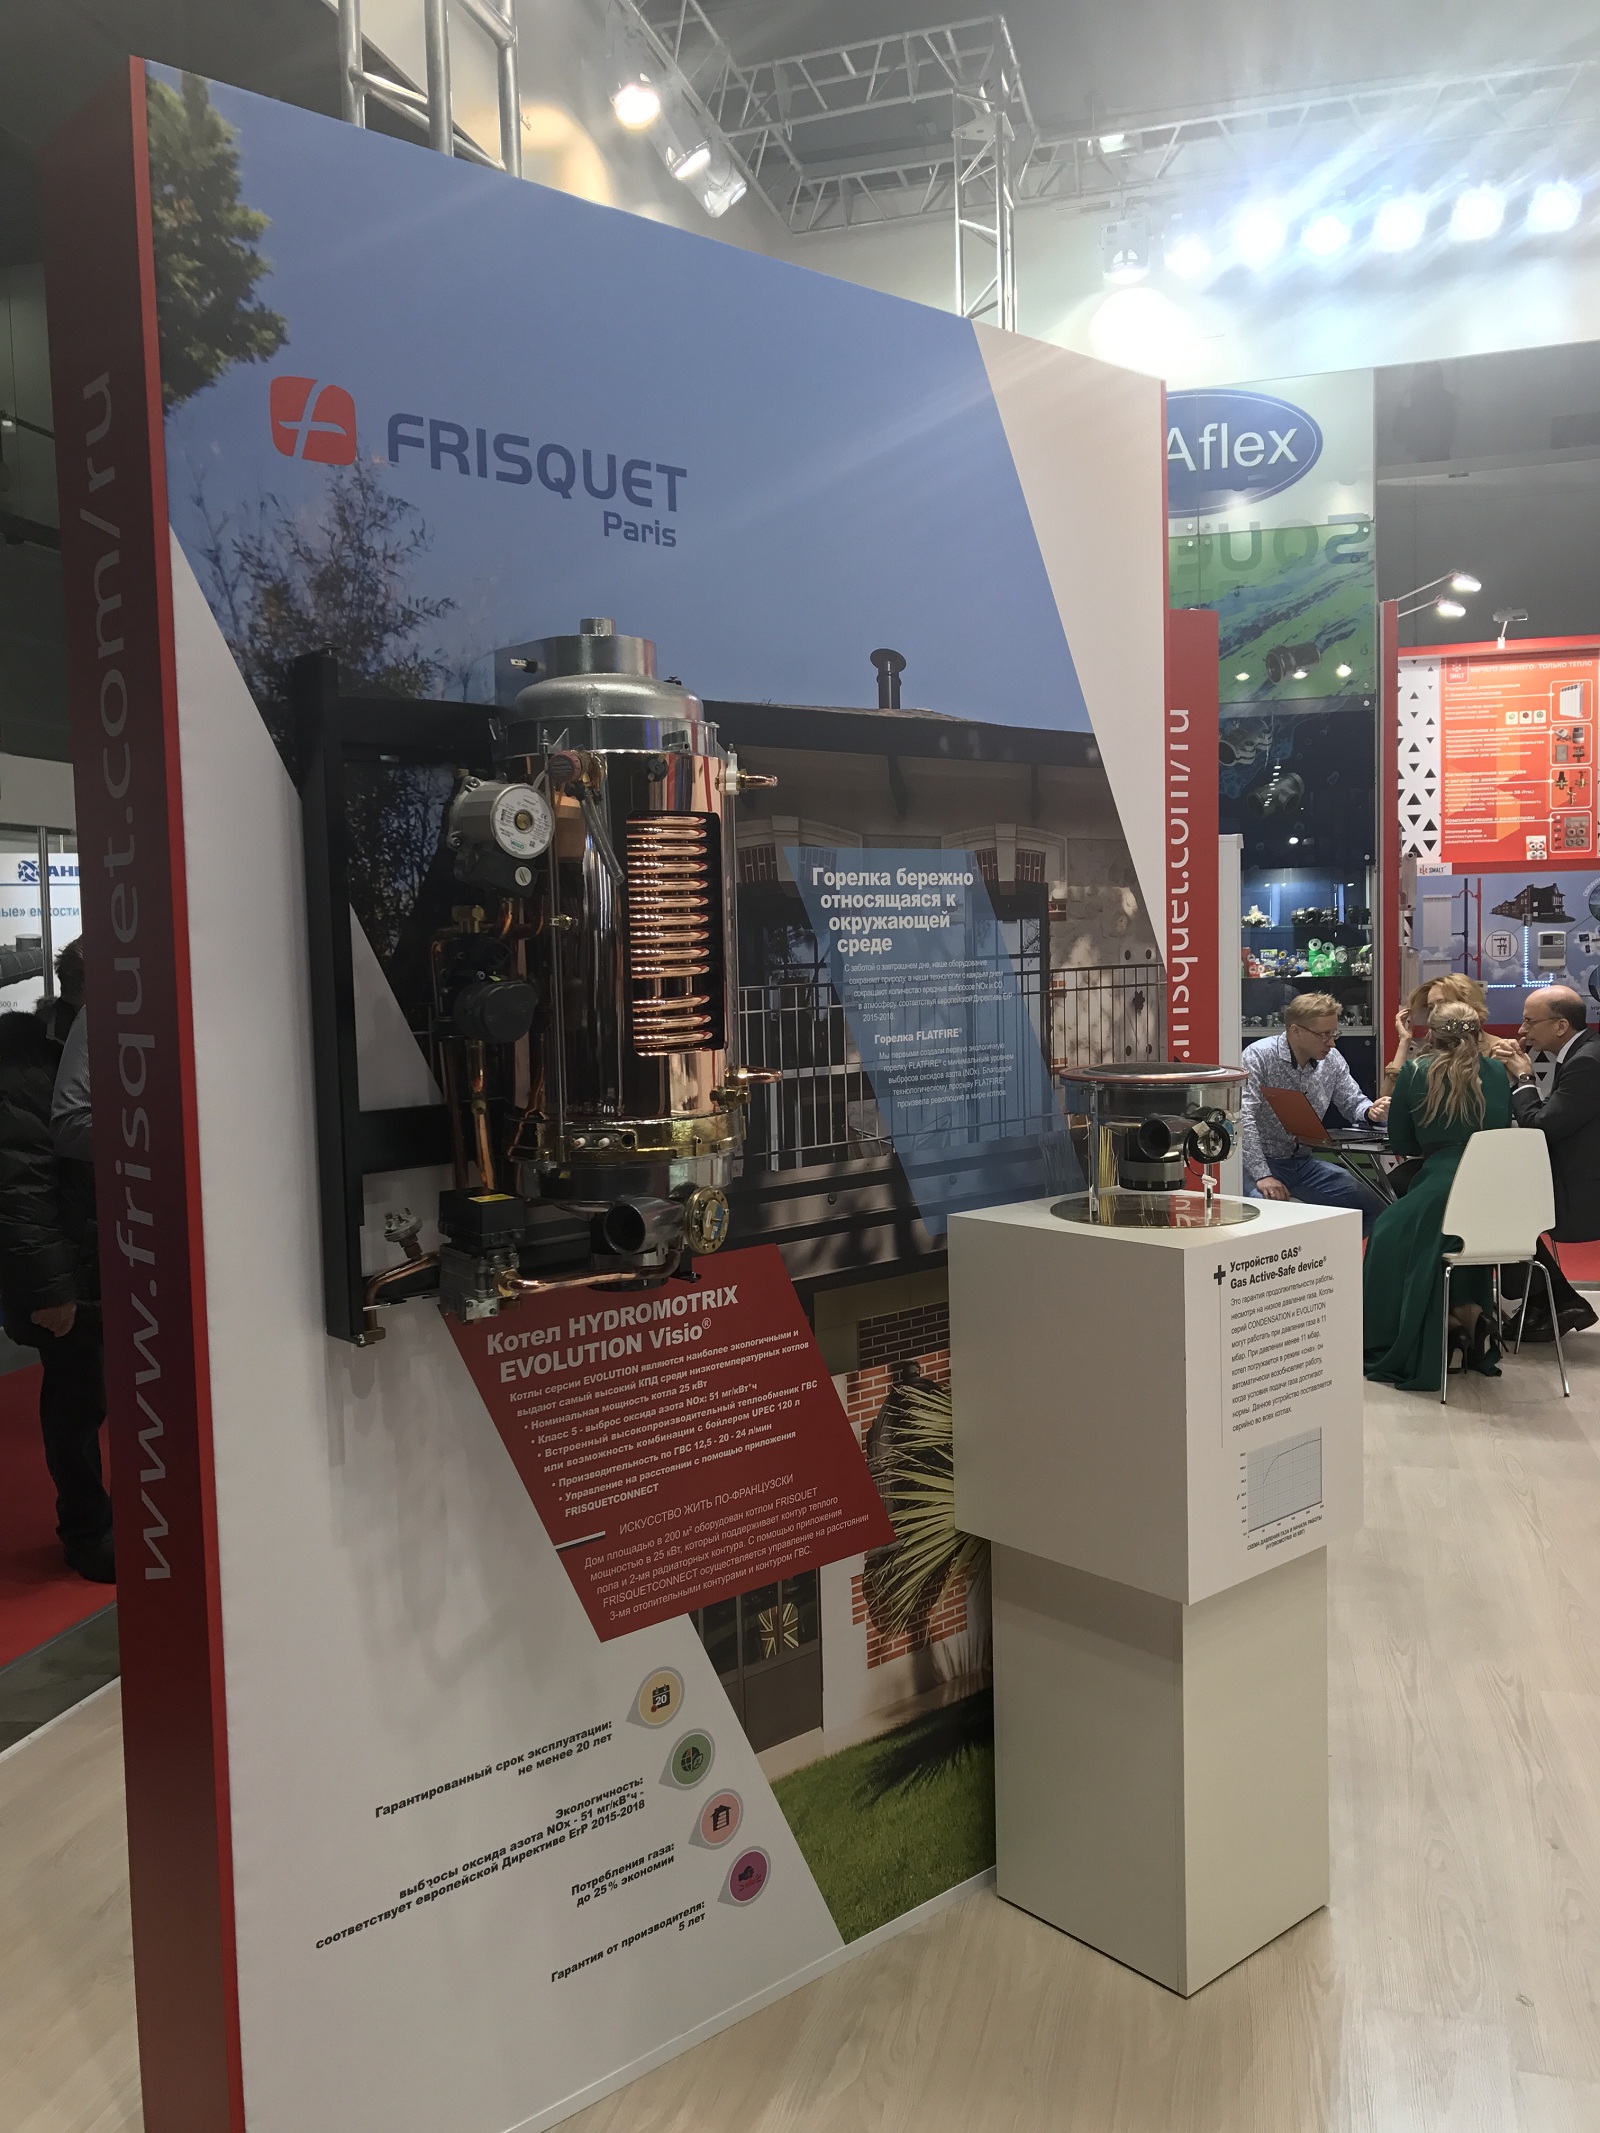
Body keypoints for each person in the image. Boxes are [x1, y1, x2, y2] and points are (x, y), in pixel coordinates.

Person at [0, 1008, 109, 1580]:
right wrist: (51, 1290)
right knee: (77, 1402)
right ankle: (88, 1530)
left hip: (108, 1256)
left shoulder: (97, 1055)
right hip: (68, 1271)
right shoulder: (24, 1070)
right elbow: (20, 1190)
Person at [1365, 1006, 1514, 1390]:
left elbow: (1402, 1141)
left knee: (1388, 1231)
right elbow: (1500, 1130)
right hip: (1492, 1191)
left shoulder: (1417, 1071)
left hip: (1442, 1181)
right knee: (1452, 1239)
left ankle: (1438, 1327)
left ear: (1430, 1034)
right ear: (1478, 1033)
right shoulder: (1496, 1072)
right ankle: (1469, 1314)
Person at [1494, 985, 1600, 1339]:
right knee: (1502, 1207)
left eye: (1529, 1022)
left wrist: (1523, 1077)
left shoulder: (1586, 1062)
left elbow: (1542, 1126)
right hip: (1573, 1177)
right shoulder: (1583, 1054)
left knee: (1498, 1211)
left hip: (1581, 1192)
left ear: (1560, 1026)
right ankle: (1551, 1300)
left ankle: (1551, 1300)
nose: (1521, 1030)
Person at [1240, 993, 1390, 1236]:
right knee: (1265, 1217)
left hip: (1303, 1162)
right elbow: (1243, 1118)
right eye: (1324, 1035)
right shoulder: (1259, 1056)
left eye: (1334, 1034)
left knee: (1376, 1209)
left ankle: (1337, 1257)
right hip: (1262, 1161)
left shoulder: (1332, 1060)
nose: (1332, 1043)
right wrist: (1262, 1174)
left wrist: (1370, 1111)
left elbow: (1352, 1101)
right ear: (1296, 1031)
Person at [1382, 974, 1489, 1095]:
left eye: (1443, 1004)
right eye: (1431, 1008)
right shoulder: (1427, 1053)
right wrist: (1404, 1041)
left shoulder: (1497, 1051)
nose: (1434, 1014)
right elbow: (1389, 1096)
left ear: (1467, 1006)